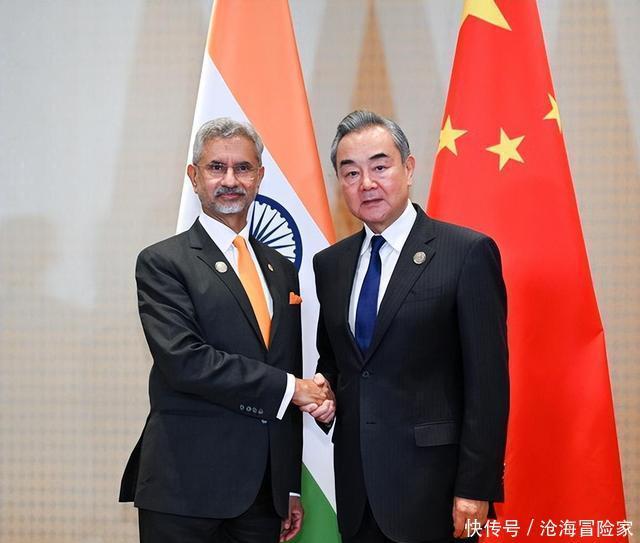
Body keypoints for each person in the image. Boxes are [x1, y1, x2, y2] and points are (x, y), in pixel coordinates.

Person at [119, 118, 331, 543]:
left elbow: (285, 364)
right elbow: (185, 362)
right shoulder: (163, 263)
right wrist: (293, 388)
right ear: (194, 176)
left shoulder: (281, 269)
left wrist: (287, 486)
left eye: (243, 168)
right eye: (216, 167)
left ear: (260, 176)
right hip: (185, 488)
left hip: (262, 496)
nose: (230, 180)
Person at [310, 111, 509, 543]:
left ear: (409, 168)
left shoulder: (465, 253)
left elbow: (488, 385)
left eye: (380, 167)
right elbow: (338, 362)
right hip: (358, 490)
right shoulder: (330, 265)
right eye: (351, 172)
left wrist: (476, 488)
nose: (367, 183)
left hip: (435, 492)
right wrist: (326, 392)